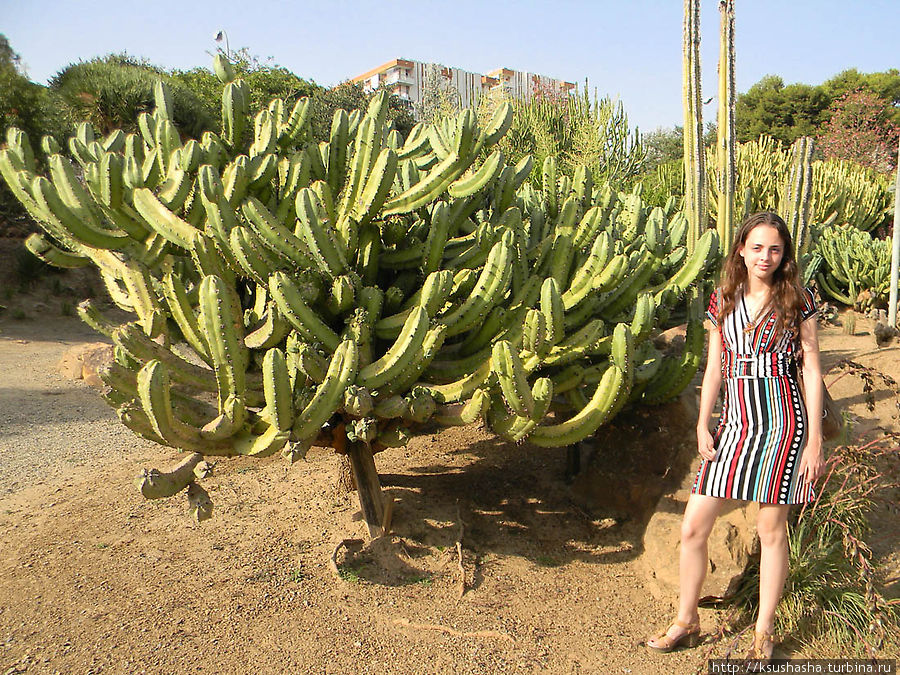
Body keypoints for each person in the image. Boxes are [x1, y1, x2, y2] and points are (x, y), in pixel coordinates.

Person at [646, 212, 825, 661]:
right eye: (758, 247)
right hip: (736, 424)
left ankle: (763, 632)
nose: (766, 256)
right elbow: (714, 367)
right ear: (741, 250)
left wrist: (815, 439)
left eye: (775, 249)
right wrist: (703, 422)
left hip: (783, 424)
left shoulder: (797, 300)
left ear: (784, 255)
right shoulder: (723, 298)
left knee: (770, 529)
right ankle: (686, 621)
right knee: (693, 526)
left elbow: (812, 369)